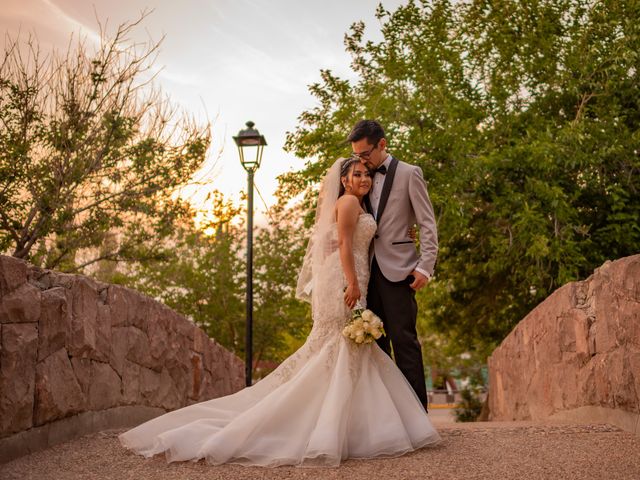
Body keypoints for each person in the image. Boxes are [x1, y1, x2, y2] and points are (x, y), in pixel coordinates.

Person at [118, 157, 441, 467]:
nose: (364, 179)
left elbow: (341, 239)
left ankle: (349, 428)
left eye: (366, 174)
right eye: (357, 175)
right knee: (339, 349)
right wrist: (353, 284)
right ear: (343, 180)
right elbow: (344, 244)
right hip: (346, 281)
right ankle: (330, 428)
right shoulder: (348, 203)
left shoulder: (356, 204)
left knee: (345, 350)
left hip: (352, 276)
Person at [348, 119, 438, 413]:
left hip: (400, 270)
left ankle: (418, 417)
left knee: (405, 343)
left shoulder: (411, 174)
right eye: (357, 156)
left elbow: (425, 223)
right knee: (375, 346)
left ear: (383, 144)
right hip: (367, 271)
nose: (360, 161)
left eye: (365, 154)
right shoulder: (361, 176)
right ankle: (387, 418)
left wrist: (425, 266)